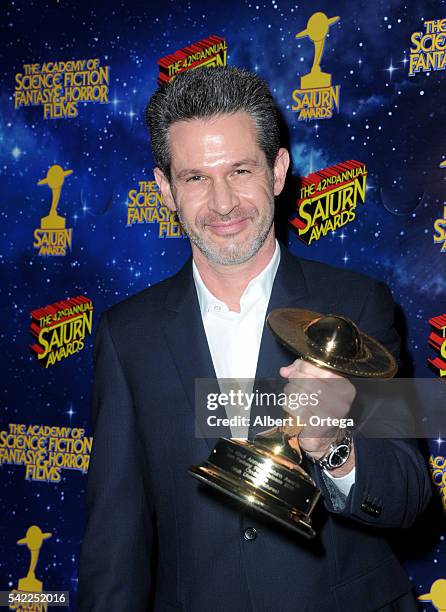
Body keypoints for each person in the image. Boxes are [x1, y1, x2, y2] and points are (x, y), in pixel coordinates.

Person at [78, 67, 432, 612]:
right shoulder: (129, 335)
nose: (222, 204)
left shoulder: (358, 304)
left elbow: (409, 497)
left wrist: (336, 447)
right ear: (165, 189)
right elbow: (114, 538)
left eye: (240, 170)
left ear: (277, 171)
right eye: (196, 178)